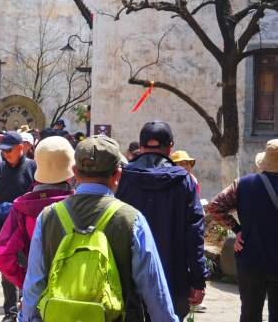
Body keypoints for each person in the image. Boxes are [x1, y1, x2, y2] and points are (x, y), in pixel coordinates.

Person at [20, 135, 178, 322]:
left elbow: (33, 286)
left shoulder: (48, 217)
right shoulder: (132, 219)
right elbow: (154, 291)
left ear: (75, 172)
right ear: (117, 174)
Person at [116, 121, 207, 322]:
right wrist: (198, 279)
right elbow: (195, 232)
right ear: (170, 147)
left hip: (127, 278)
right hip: (173, 277)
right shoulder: (184, 180)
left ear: (140, 146)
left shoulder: (122, 178)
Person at [207, 139, 278, 322]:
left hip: (251, 261)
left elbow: (214, 207)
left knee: (250, 314)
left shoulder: (243, 184)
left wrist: (237, 229)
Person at [0, 136, 75, 289]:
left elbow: (2, 254)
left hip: (37, 289)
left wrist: (26, 281)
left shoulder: (22, 207)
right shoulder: (81, 204)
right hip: (76, 290)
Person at [0, 131, 37, 322]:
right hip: (4, 228)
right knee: (7, 271)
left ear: (20, 148)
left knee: (27, 269)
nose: (5, 154)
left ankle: (27, 309)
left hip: (26, 229)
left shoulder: (32, 167)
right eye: (2, 151)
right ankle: (10, 312)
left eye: (9, 150)